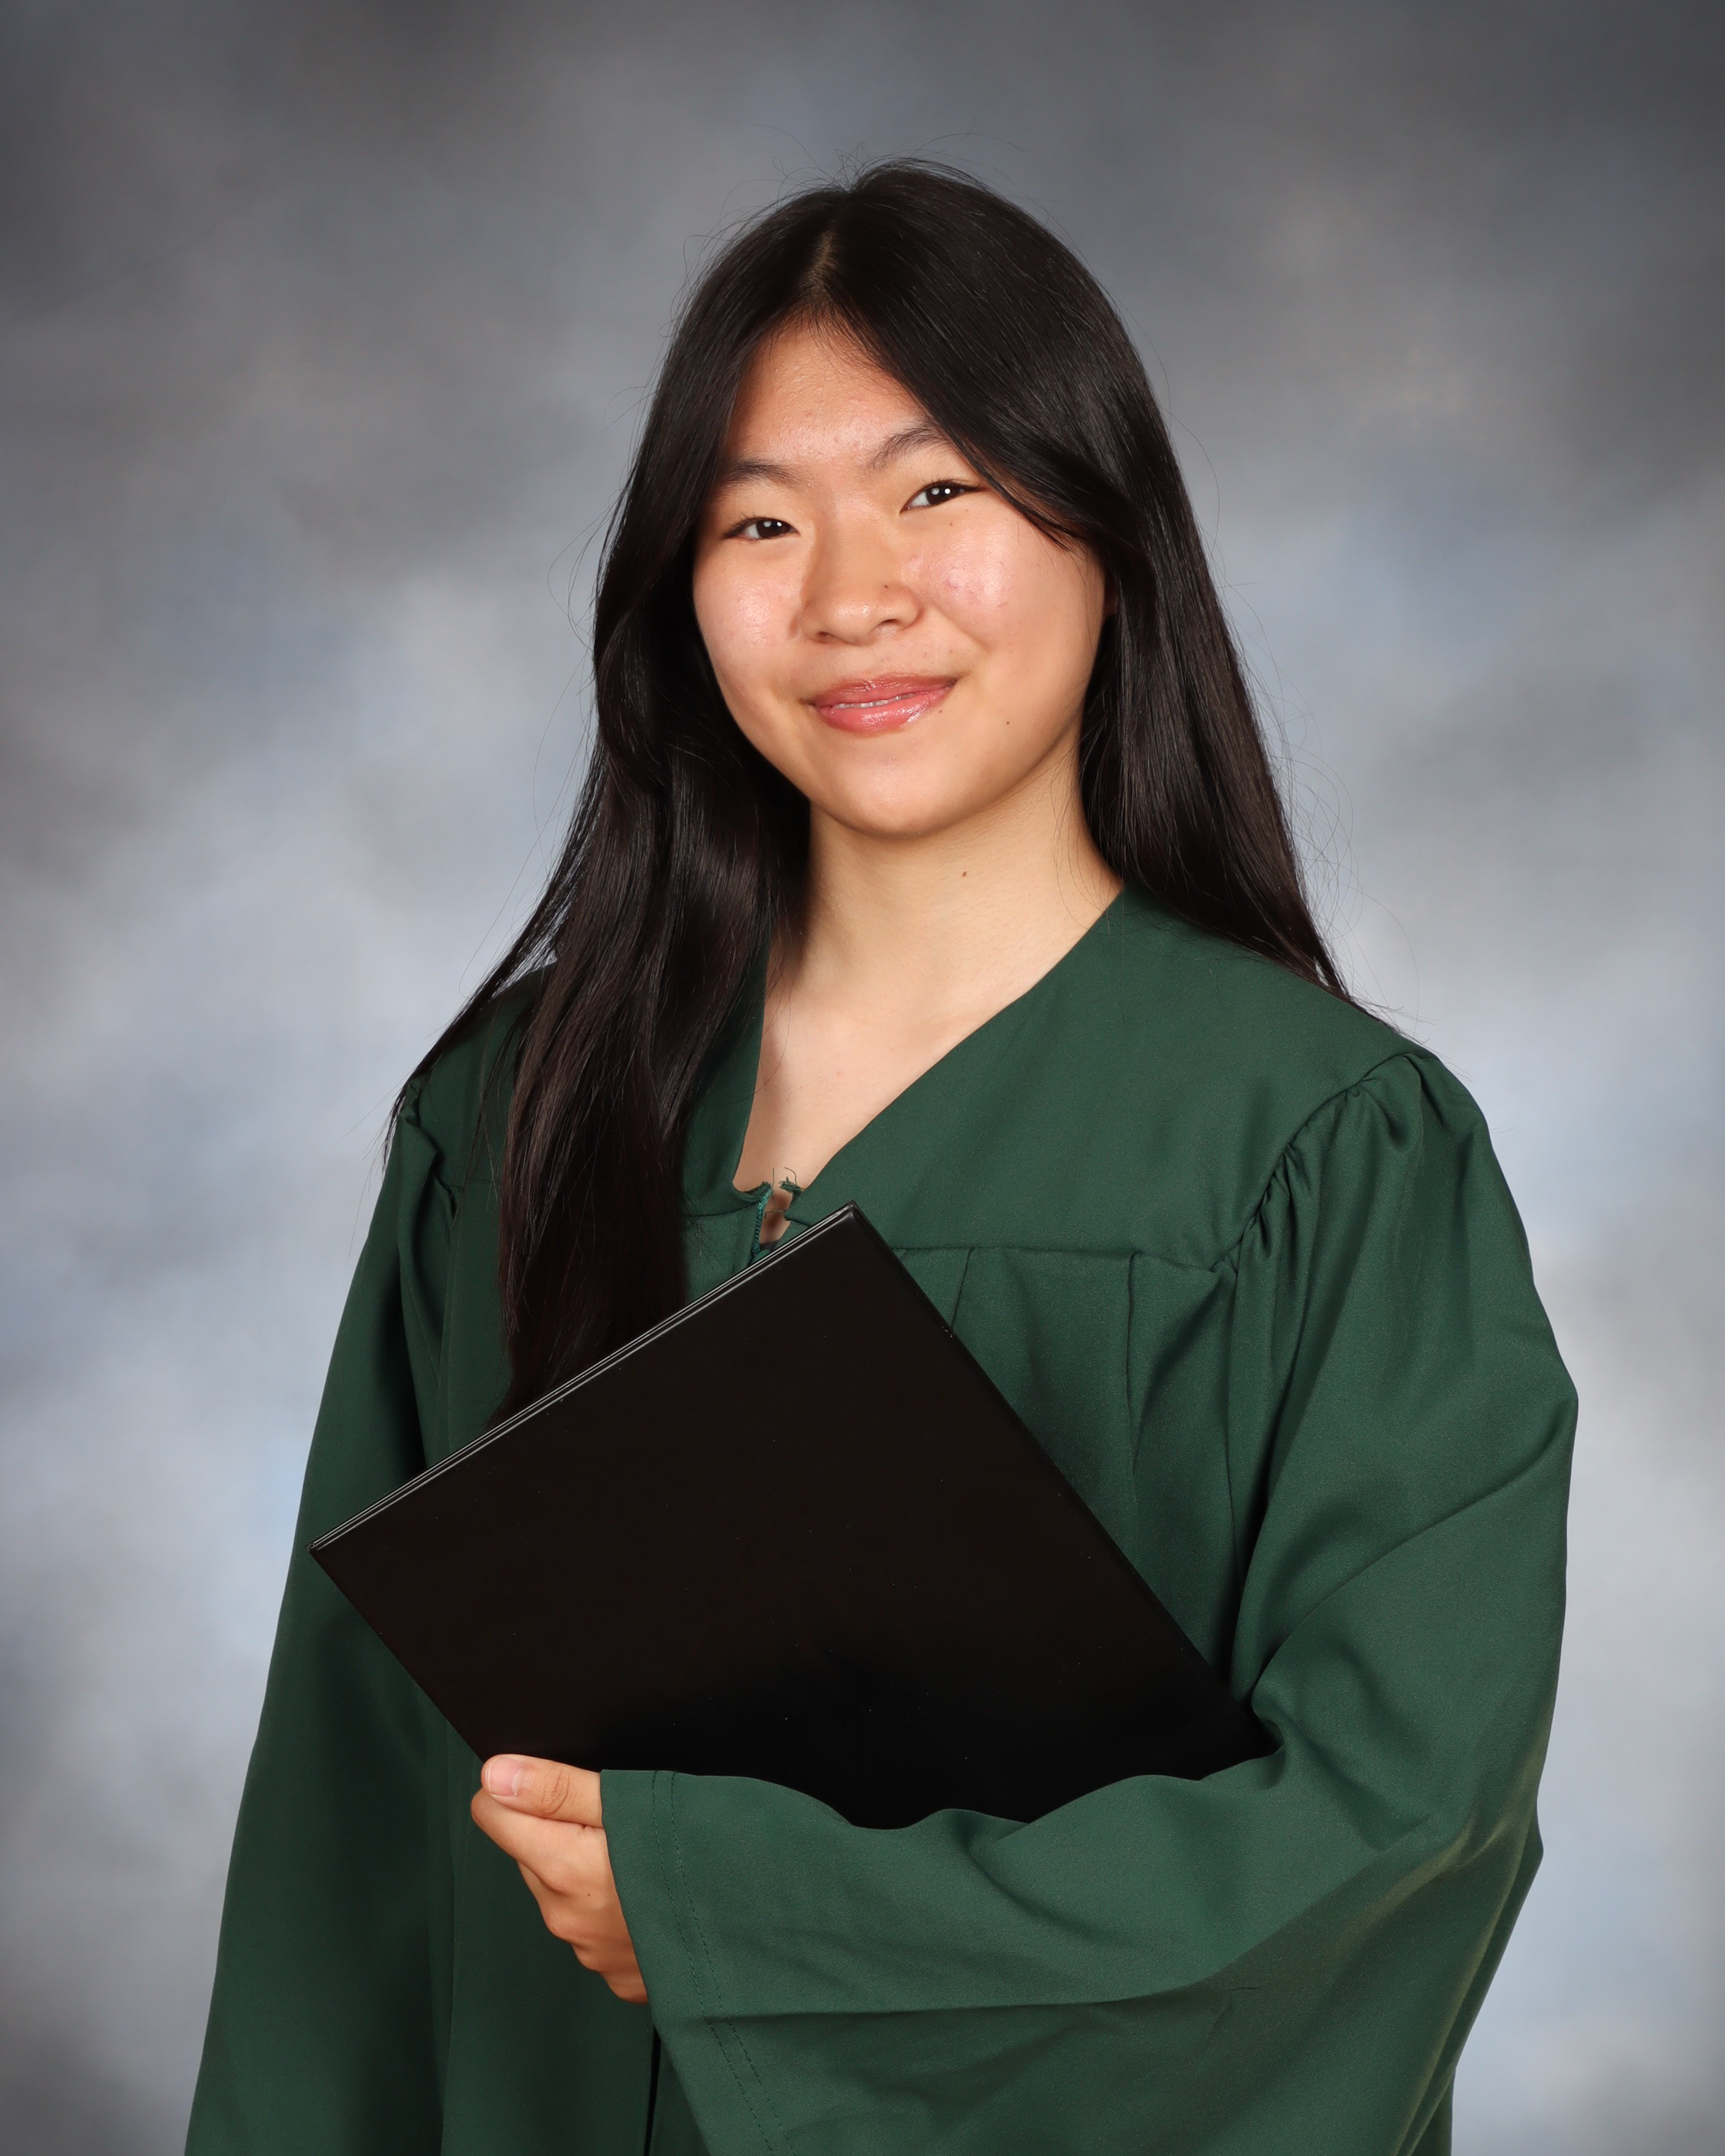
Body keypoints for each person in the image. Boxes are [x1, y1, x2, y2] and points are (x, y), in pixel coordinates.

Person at [186, 162, 1575, 2156]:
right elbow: (348, 1845)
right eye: (760, 520)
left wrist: (741, 1913)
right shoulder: (516, 1112)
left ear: (1109, 529)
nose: (851, 596)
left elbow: (1389, 1840)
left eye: (938, 492)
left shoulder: (1323, 1151)